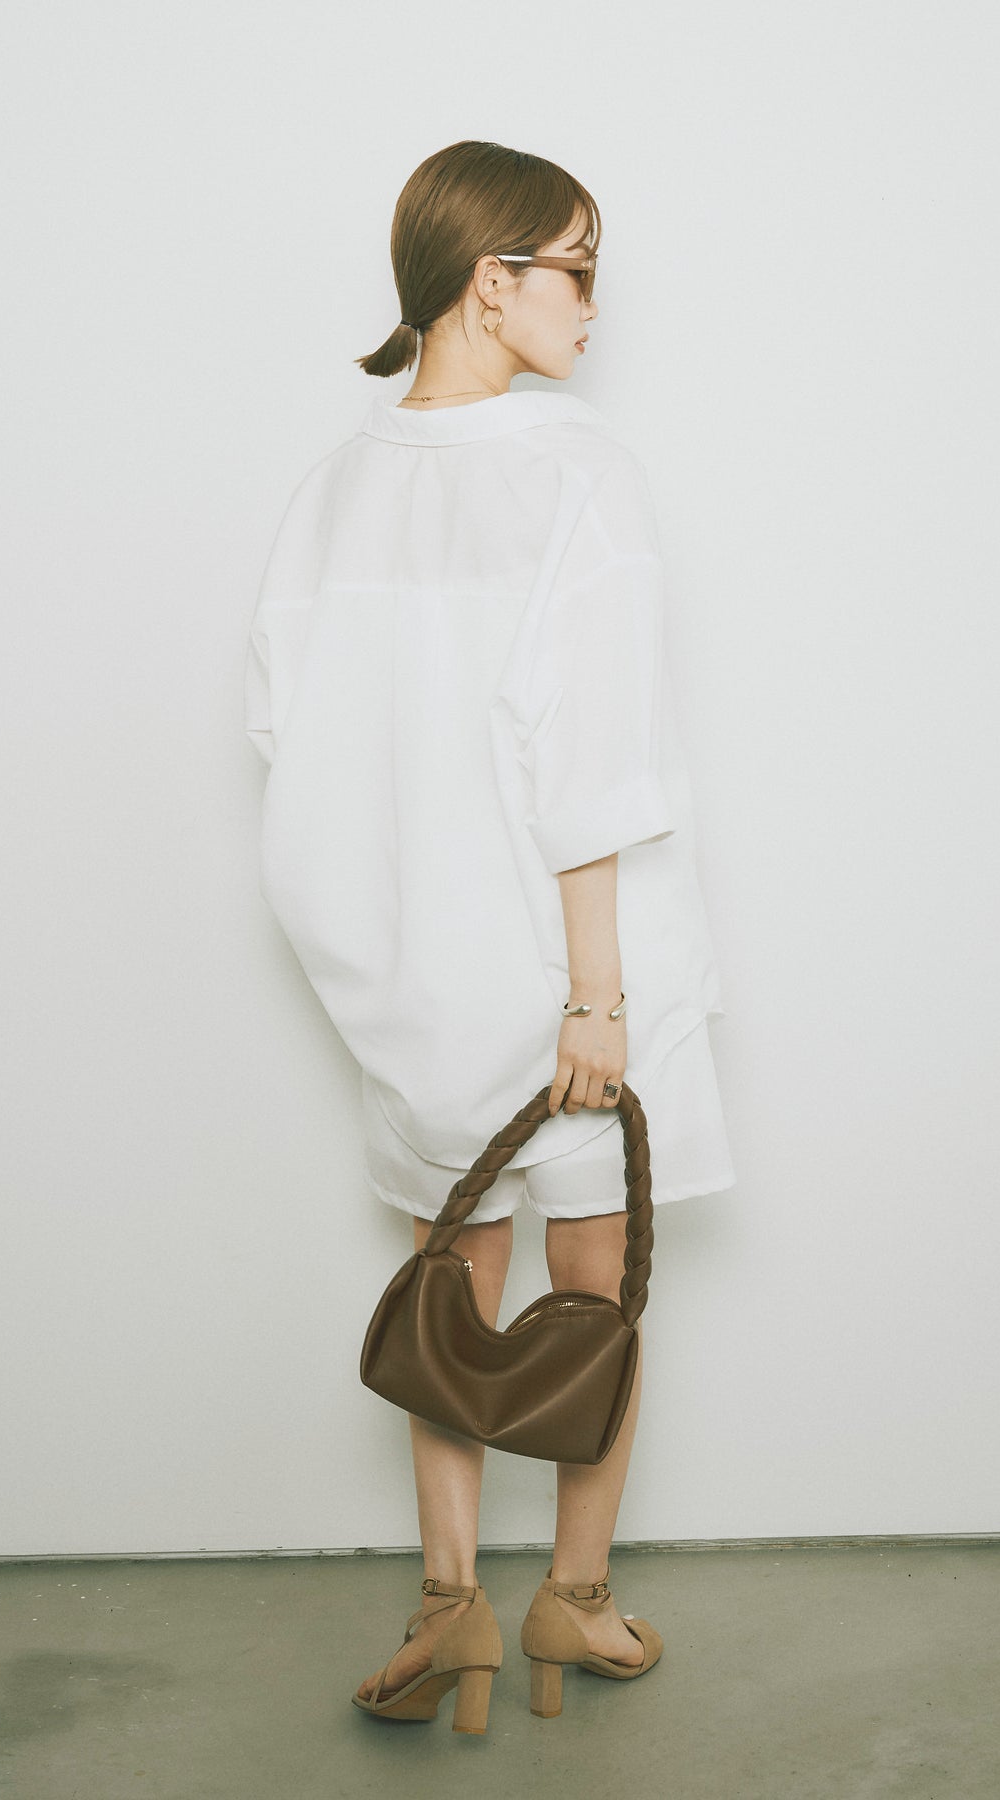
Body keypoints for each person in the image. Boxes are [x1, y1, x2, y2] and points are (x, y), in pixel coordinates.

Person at [244, 139, 736, 1733]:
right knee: (598, 1288)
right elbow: (591, 750)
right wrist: (595, 993)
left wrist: (379, 942)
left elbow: (284, 741)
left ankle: (447, 1607)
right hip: (575, 961)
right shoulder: (575, 468)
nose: (594, 305)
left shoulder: (331, 489)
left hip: (410, 969)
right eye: (575, 269)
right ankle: (571, 1602)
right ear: (489, 281)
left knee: (447, 1287)